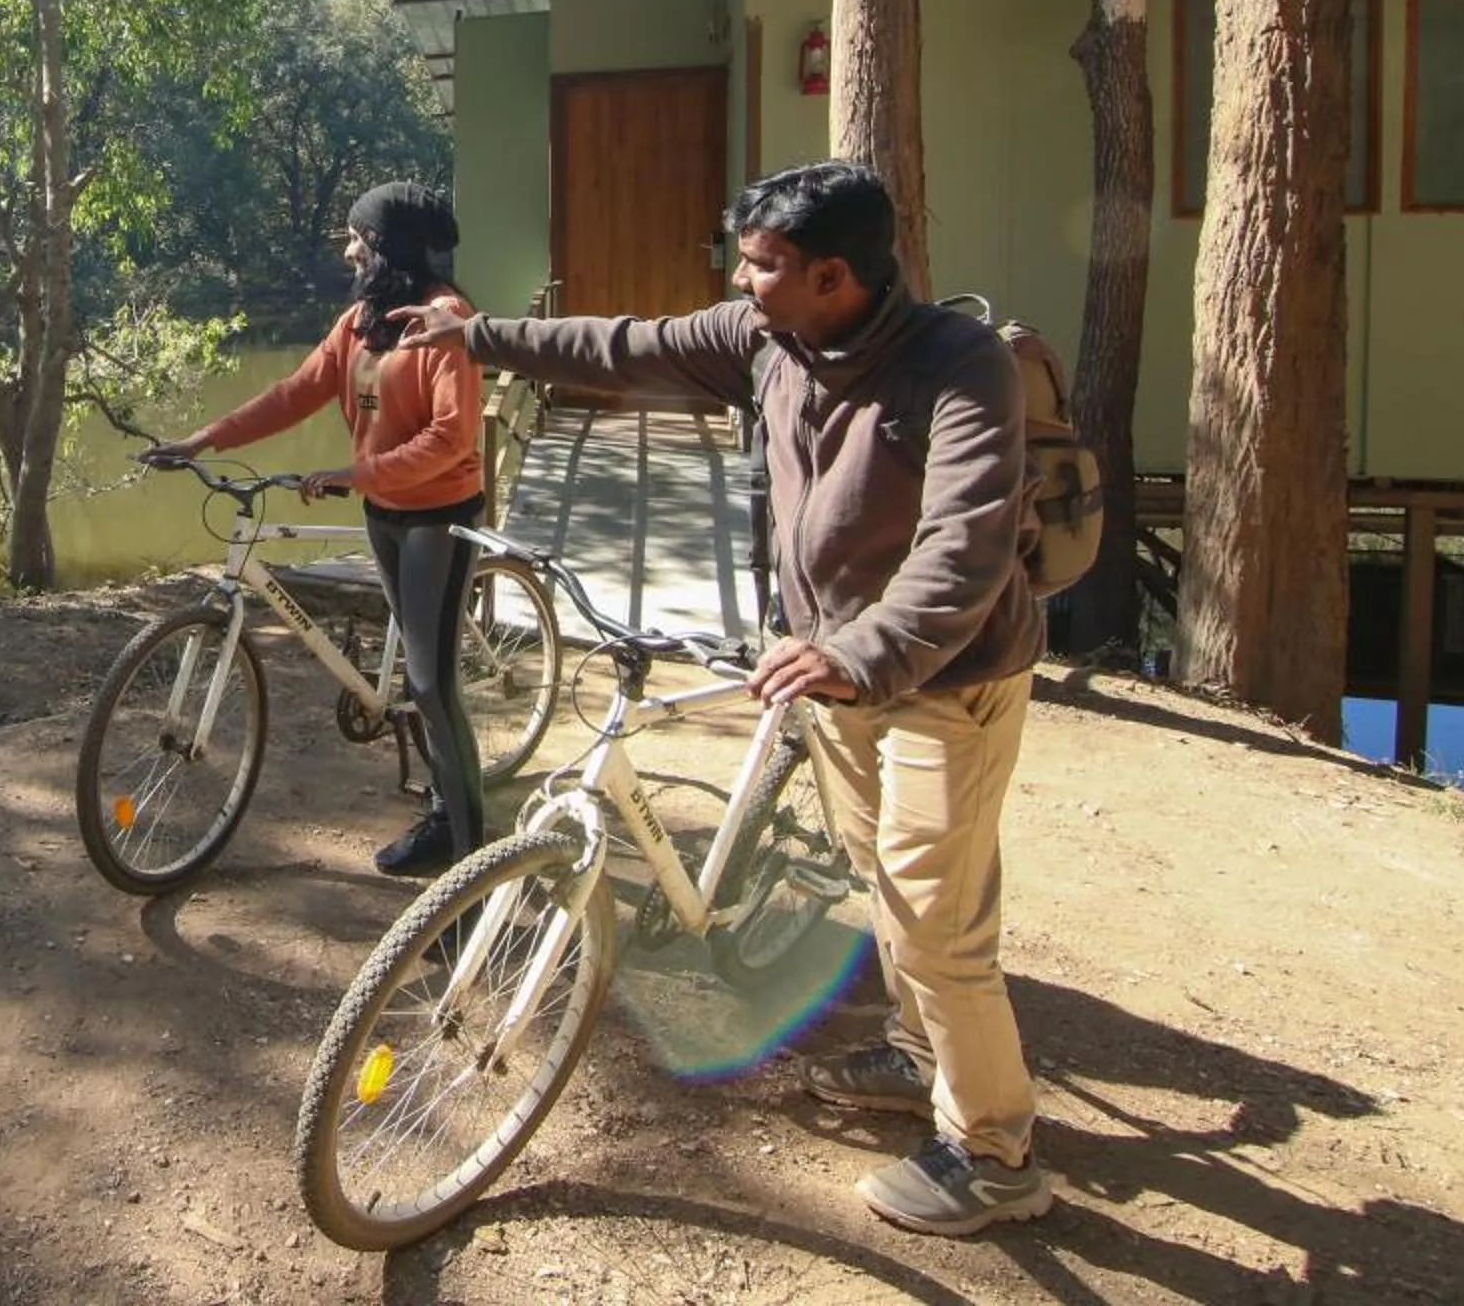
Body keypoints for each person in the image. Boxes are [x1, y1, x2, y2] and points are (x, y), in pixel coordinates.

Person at [389, 159, 1052, 1237]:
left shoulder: (960, 366)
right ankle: (921, 1054)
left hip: (947, 676)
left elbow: (964, 546)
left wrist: (862, 649)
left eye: (761, 263)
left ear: (833, 274)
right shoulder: (770, 337)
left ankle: (993, 1152)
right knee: (880, 872)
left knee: (935, 914)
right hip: (836, 665)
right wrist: (479, 335)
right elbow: (625, 342)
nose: (741, 280)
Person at [145, 180, 489, 879]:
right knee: (415, 678)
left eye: (358, 235)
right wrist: (203, 439)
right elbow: (294, 394)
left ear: (385, 243)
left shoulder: (446, 319)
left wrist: (353, 474)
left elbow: (453, 439)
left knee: (430, 684)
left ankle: (472, 866)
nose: (348, 247)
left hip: (438, 515)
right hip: (384, 509)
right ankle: (444, 818)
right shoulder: (360, 322)